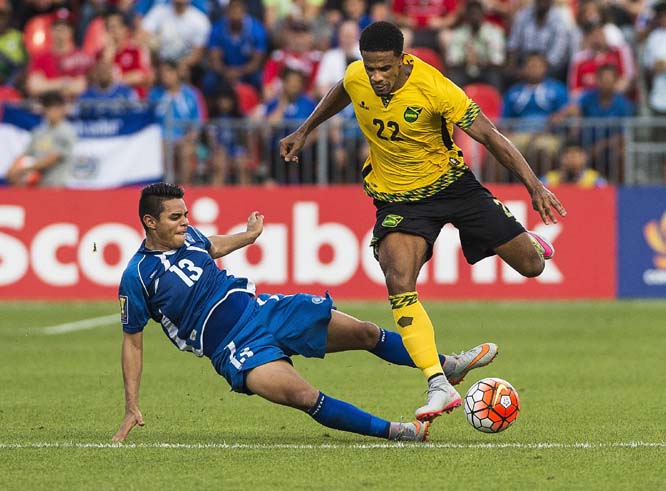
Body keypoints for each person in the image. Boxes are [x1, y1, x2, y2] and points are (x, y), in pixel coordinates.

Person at [279, 21, 566, 422]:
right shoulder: (357, 75)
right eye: (370, 67)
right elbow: (344, 89)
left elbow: (490, 135)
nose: (375, 77)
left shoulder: (435, 88)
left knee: (532, 266)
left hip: (454, 187)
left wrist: (535, 187)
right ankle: (437, 383)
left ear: (402, 59)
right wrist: (305, 129)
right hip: (398, 199)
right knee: (398, 281)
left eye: (384, 68)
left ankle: (527, 241)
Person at [112, 182, 498, 443]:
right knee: (303, 395)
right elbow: (133, 342)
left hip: (265, 310)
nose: (185, 222)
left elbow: (209, 244)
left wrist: (248, 236)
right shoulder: (138, 276)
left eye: (185, 214)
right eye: (176, 218)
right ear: (151, 222)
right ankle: (399, 431)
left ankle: (447, 365)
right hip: (234, 350)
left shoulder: (190, 237)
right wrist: (131, 404)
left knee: (365, 332)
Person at [6, 90, 77, 187]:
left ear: (62, 109)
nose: (51, 111)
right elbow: (26, 152)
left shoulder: (66, 131)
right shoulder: (39, 131)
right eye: (48, 107)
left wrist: (25, 169)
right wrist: (12, 169)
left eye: (55, 107)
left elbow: (53, 158)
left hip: (56, 185)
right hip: (37, 185)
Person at [541, 140, 607, 187]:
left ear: (585, 157)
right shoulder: (548, 180)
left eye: (575, 155)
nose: (572, 159)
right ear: (560, 158)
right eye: (568, 154)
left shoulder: (595, 180)